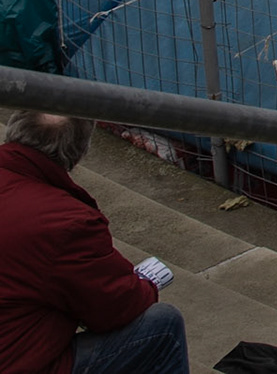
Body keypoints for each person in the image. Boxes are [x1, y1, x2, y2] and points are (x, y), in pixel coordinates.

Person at [0, 113, 187, 374]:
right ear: (78, 153)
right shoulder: (66, 223)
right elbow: (115, 307)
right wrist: (146, 285)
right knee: (163, 326)